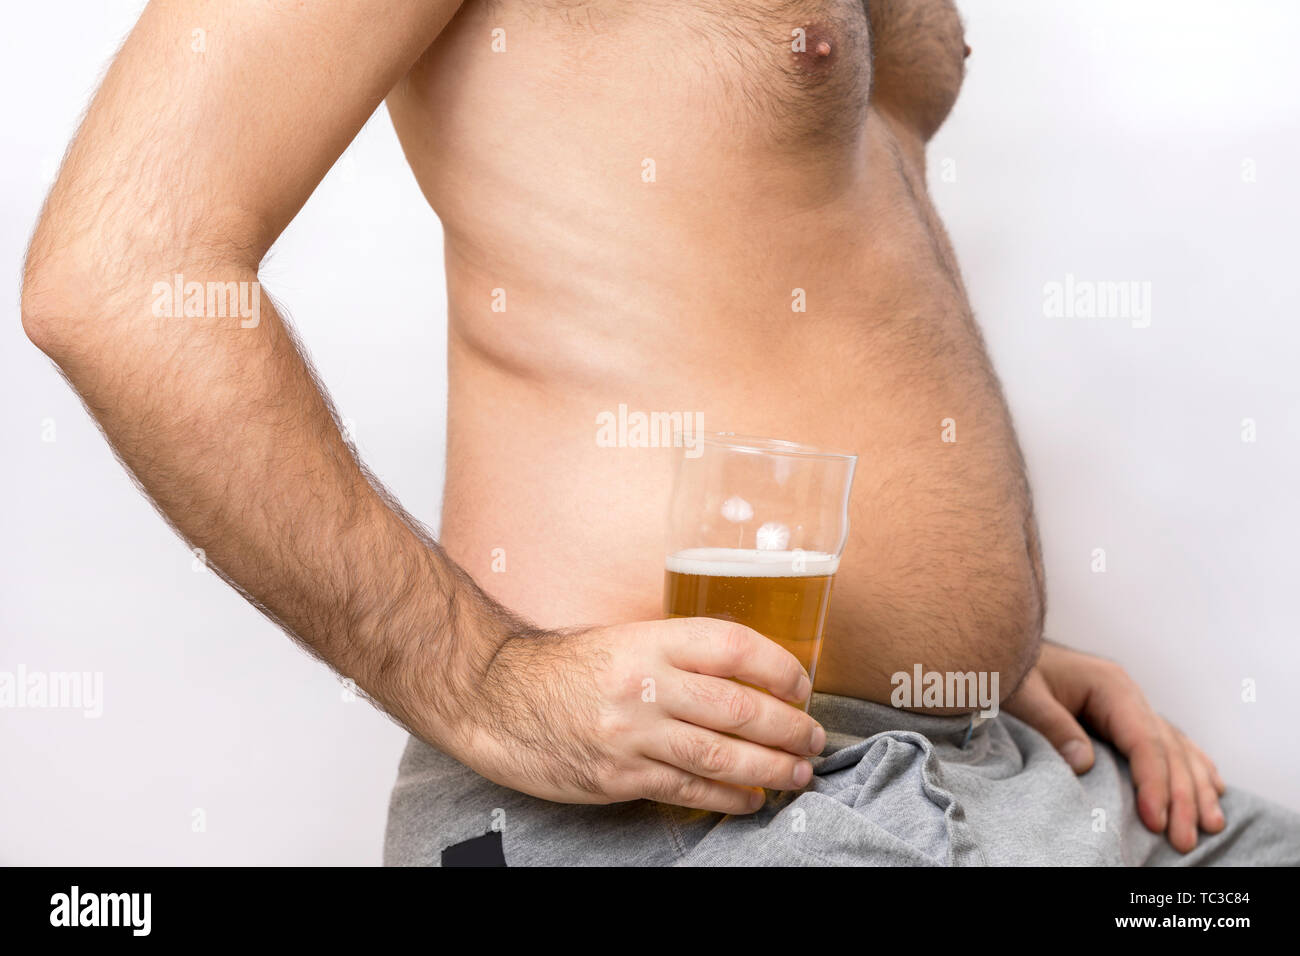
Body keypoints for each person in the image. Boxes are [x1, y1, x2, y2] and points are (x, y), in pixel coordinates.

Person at [21, 0, 1299, 865]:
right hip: (677, 815)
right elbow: (120, 273)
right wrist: (483, 680)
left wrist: (968, 641)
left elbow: (790, 234)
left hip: (984, 765)